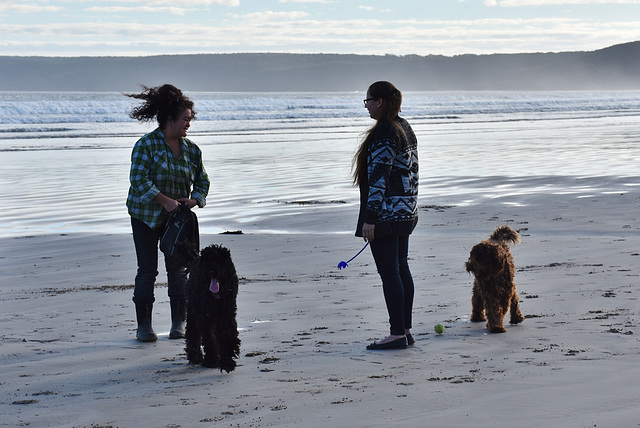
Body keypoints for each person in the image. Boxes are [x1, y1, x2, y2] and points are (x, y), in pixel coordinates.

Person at [126, 84, 210, 342]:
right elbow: (138, 181)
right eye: (185, 119)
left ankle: (178, 324)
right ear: (170, 120)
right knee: (147, 271)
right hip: (145, 217)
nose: (189, 124)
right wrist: (164, 201)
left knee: (177, 271)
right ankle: (144, 327)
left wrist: (195, 200)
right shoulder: (146, 145)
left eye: (190, 119)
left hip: (177, 220)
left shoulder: (192, 150)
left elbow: (203, 182)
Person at [353, 81, 419, 350]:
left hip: (387, 214)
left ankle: (396, 334)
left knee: (390, 272)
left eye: (368, 101)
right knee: (401, 268)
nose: (366, 105)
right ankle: (405, 329)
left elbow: (379, 178)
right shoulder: (404, 126)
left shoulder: (384, 133)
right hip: (405, 210)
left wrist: (370, 218)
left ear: (380, 101)